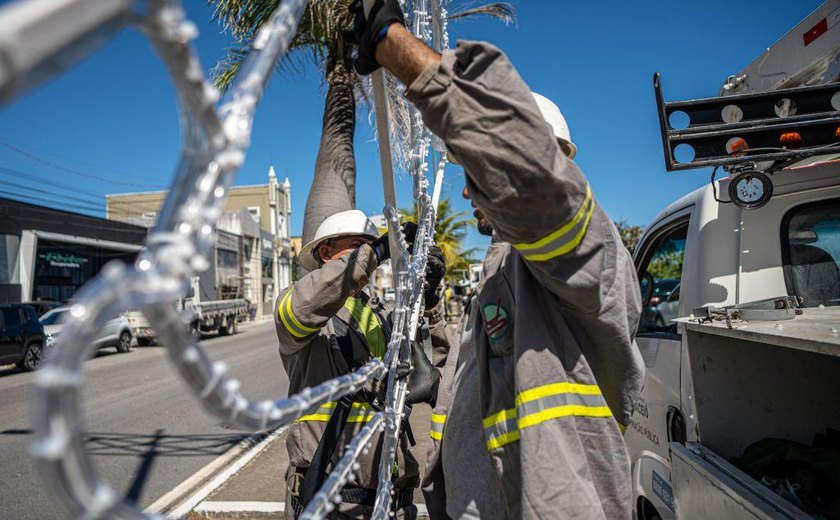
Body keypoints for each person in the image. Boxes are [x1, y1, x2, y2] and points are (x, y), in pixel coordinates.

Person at [346, 3, 645, 519]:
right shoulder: (506, 269)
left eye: (475, 168)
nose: (466, 188)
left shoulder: (581, 255)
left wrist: (392, 44)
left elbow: (522, 172)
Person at [274, 209, 446, 519]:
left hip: (389, 497)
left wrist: (429, 298)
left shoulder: (381, 314)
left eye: (374, 248)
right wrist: (379, 250)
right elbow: (305, 306)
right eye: (359, 247)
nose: (371, 258)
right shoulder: (302, 309)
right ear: (326, 253)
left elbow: (434, 366)